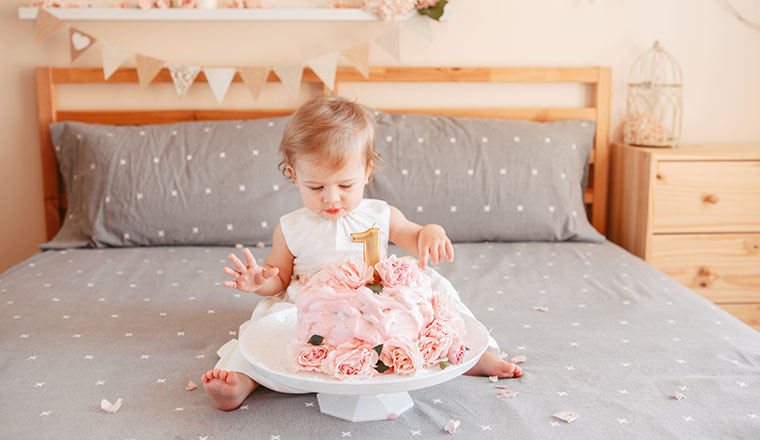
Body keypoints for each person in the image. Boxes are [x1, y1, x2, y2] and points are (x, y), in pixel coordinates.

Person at [201, 95, 522, 411]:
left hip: (378, 301)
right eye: (316, 187)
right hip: (315, 306)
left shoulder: (381, 213)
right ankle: (244, 379)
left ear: (367, 172)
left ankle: (468, 355)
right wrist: (260, 281)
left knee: (438, 295)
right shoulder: (291, 227)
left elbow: (414, 235)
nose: (331, 198)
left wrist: (430, 232)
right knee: (268, 328)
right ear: (293, 174)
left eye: (345, 185)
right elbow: (279, 279)